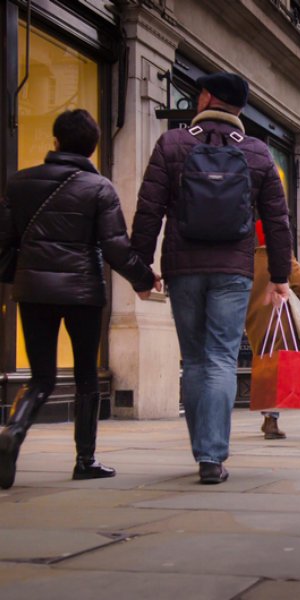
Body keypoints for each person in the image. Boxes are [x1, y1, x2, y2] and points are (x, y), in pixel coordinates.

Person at [132, 72, 293, 484]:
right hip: (233, 271)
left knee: (196, 360)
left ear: (206, 98)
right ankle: (212, 457)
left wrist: (139, 269)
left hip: (182, 268)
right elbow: (278, 222)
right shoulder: (259, 154)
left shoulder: (172, 143)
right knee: (222, 356)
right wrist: (279, 275)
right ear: (239, 108)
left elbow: (148, 209)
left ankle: (202, 450)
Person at [0, 109, 159, 489]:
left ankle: (15, 430)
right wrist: (143, 278)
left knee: (41, 376)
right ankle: (84, 460)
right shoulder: (99, 188)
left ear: (54, 143)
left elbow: (4, 242)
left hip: (34, 290)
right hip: (83, 293)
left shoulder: (18, 183)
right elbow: (115, 247)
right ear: (93, 147)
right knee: (87, 375)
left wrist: (20, 274)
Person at [246, 221, 300, 440]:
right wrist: (292, 299)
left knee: (263, 365)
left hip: (253, 321)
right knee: (275, 367)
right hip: (278, 320)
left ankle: (268, 415)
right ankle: (271, 419)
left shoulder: (249, 261)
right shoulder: (283, 259)